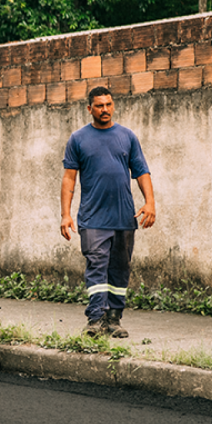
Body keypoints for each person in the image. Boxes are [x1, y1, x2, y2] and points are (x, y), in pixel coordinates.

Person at [60, 86, 156, 339]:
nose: (105, 109)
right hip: (93, 218)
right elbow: (69, 179)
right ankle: (95, 319)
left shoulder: (127, 136)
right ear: (90, 108)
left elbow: (141, 171)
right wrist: (65, 214)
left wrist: (150, 203)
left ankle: (114, 319)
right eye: (100, 105)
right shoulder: (78, 139)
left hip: (124, 218)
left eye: (109, 104)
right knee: (96, 267)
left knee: (119, 269)